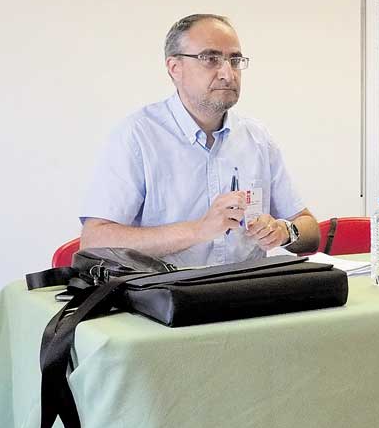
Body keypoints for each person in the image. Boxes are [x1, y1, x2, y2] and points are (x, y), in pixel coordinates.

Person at [80, 14, 319, 267]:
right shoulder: (137, 136)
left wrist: (285, 231)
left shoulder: (257, 138)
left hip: (246, 293)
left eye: (235, 60)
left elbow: (310, 229)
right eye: (210, 59)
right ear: (175, 68)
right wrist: (199, 230)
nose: (228, 73)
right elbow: (94, 240)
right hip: (165, 296)